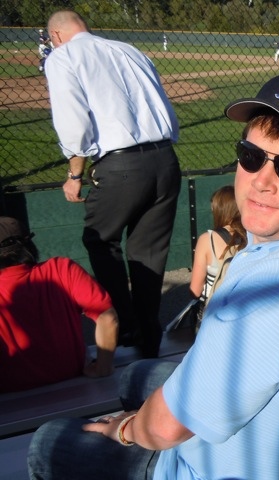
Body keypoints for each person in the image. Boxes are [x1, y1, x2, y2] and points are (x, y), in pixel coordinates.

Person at [28, 69, 279, 480]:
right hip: (275, 442)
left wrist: (125, 429)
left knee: (48, 441)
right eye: (251, 156)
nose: (262, 182)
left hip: (202, 470)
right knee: (135, 375)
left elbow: (163, 429)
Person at [44, 10, 181, 358]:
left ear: (56, 36)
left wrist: (75, 175)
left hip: (121, 165)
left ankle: (124, 323)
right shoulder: (128, 49)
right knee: (149, 251)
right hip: (165, 160)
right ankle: (148, 335)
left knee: (100, 239)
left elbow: (74, 124)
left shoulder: (63, 56)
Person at [0, 216, 118, 393]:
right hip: (74, 380)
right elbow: (108, 318)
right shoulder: (63, 268)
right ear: (28, 245)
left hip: (10, 392)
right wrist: (103, 368)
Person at [189, 185, 247, 305]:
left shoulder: (207, 239)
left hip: (214, 307)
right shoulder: (253, 236)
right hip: (244, 304)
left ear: (220, 210)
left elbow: (196, 290)